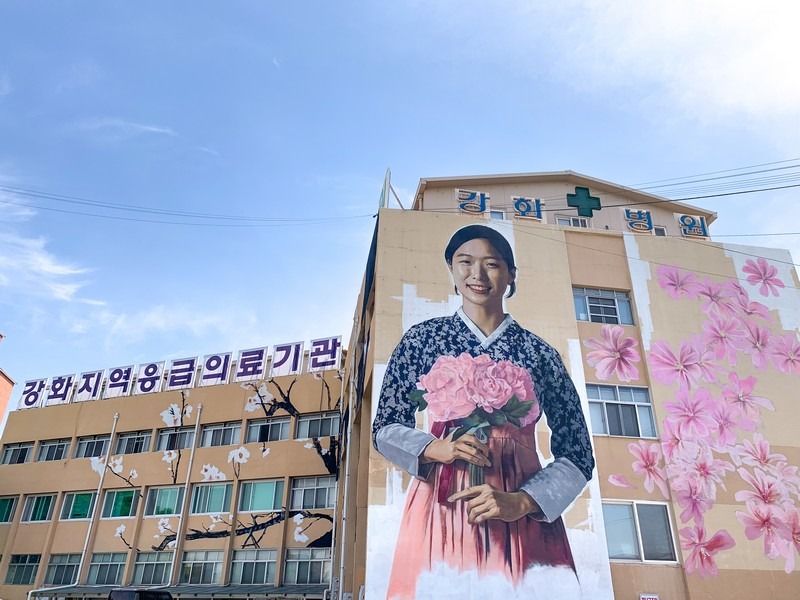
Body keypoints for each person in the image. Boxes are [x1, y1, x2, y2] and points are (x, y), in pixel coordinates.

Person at [372, 224, 595, 599]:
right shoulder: (422, 340)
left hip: (517, 502)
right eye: (465, 262)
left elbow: (578, 452)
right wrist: (434, 448)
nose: (477, 275)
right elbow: (385, 426)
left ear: (510, 275)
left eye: (491, 264)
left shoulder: (540, 354)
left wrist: (523, 502)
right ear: (451, 270)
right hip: (441, 501)